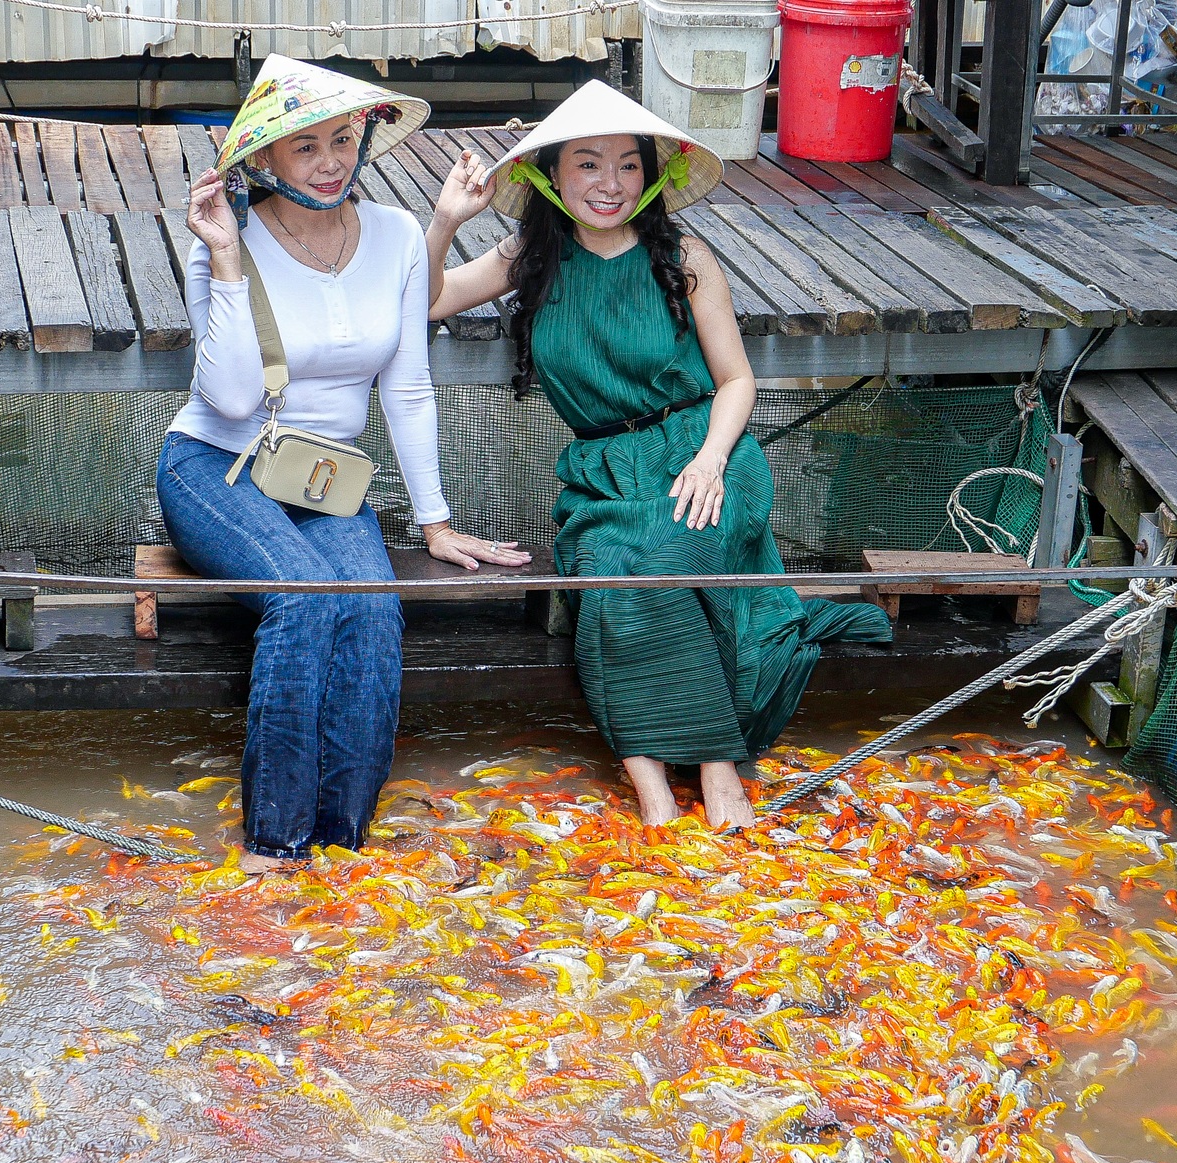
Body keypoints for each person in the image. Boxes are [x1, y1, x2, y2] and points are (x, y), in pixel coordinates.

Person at [424, 81, 894, 831]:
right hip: (603, 474)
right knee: (611, 571)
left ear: (652, 173)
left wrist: (710, 461)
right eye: (587, 164)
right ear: (551, 172)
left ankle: (713, 765)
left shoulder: (685, 255)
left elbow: (738, 380)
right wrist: (447, 222)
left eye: (627, 165)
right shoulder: (530, 254)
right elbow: (424, 300)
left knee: (671, 547)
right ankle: (649, 781)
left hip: (704, 451)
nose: (609, 185)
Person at [162, 55, 528, 869]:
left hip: (323, 478)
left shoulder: (398, 236)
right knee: (304, 597)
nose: (328, 162)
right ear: (262, 160)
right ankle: (275, 850)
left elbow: (407, 386)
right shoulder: (228, 236)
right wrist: (223, 258)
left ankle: (343, 846)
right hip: (213, 468)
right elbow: (224, 399)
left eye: (340, 140)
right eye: (304, 148)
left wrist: (434, 521)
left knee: (369, 604)